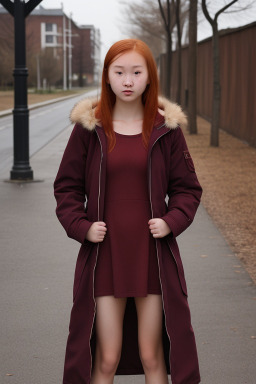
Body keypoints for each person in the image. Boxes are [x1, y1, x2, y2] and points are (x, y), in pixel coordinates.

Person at [54, 39, 202, 384]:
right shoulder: (89, 129)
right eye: (119, 72)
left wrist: (171, 222)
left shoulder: (167, 130)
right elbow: (67, 187)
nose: (128, 81)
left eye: (137, 72)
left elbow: (187, 189)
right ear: (107, 76)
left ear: (150, 77)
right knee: (106, 357)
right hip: (105, 254)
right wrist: (82, 226)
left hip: (152, 255)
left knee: (153, 355)